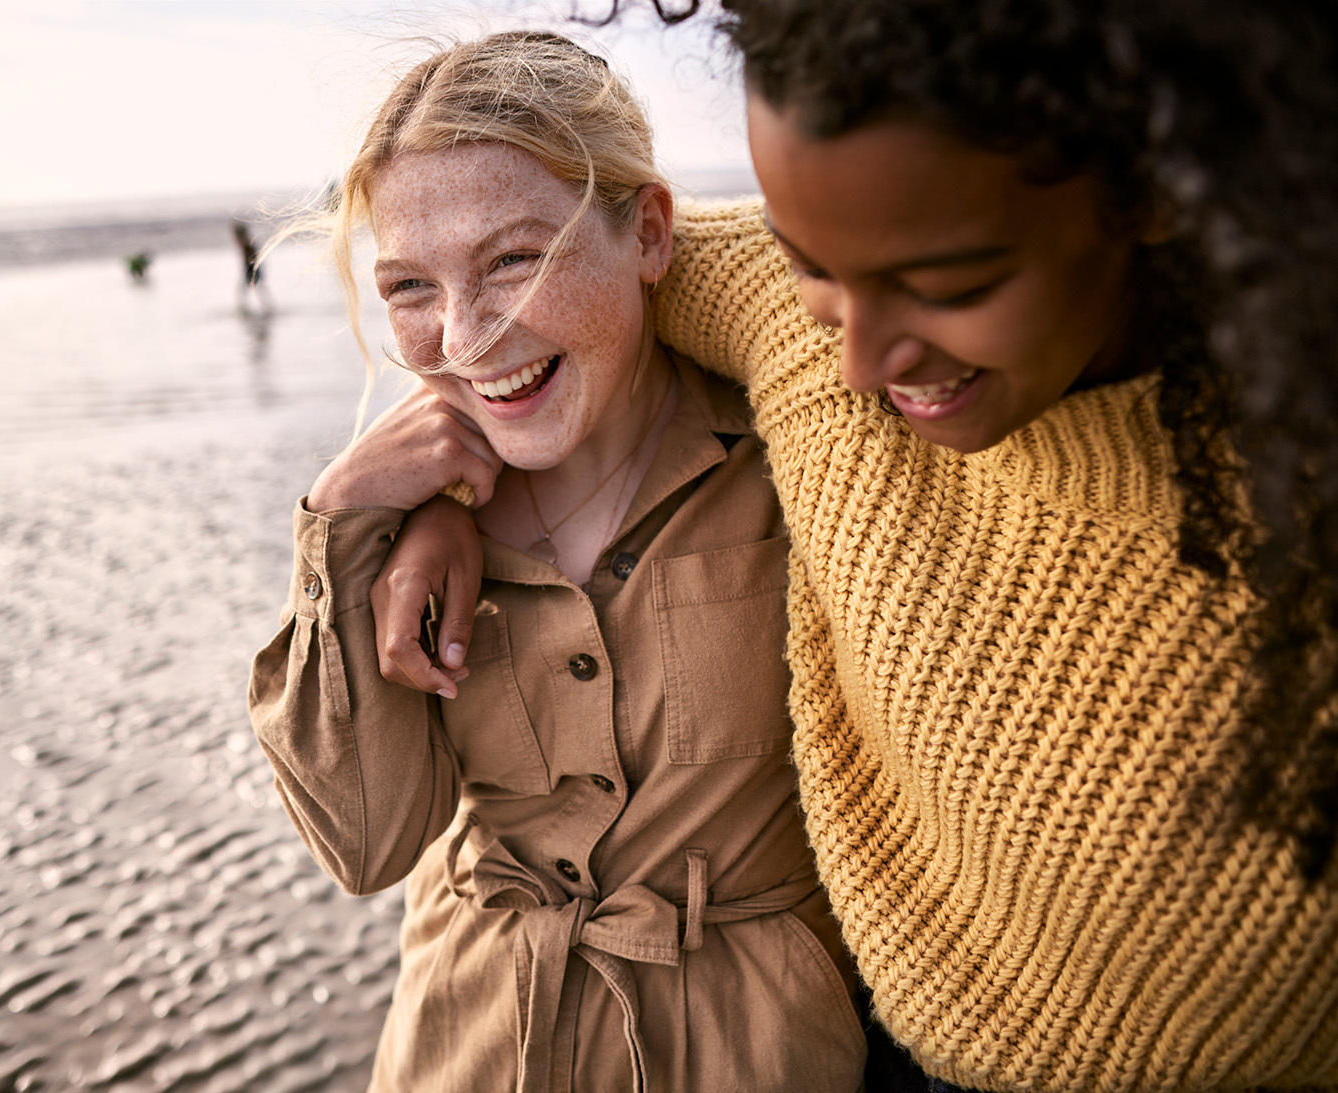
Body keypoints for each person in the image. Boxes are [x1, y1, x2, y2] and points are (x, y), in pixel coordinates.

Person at [373, 2, 1338, 1090]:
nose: (860, 365)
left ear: (1156, 190)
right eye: (811, 266)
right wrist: (448, 488)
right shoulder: (791, 326)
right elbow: (550, 301)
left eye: (950, 284)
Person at [247, 31, 867, 1093]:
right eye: (407, 284)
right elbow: (364, 844)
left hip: (751, 1053)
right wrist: (341, 521)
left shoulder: (796, 451)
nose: (462, 333)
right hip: (467, 1045)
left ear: (651, 234)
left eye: (515, 258)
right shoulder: (391, 519)